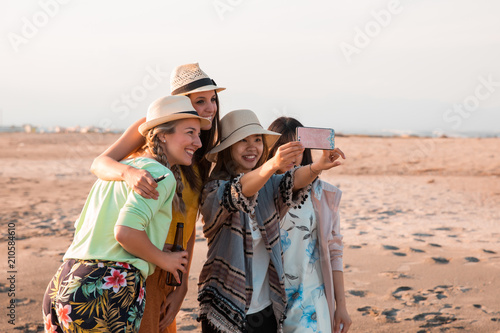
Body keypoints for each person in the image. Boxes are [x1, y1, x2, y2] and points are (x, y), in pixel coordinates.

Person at [42, 95, 211, 332]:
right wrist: (164, 260)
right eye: (190, 133)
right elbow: (125, 233)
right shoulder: (158, 175)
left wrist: (150, 248)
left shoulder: (120, 171)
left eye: (198, 135)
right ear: (163, 134)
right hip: (105, 291)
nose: (198, 142)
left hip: (64, 284)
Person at [90, 63, 224, 333]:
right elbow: (99, 163)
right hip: (140, 257)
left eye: (213, 100)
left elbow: (187, 220)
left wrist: (182, 282)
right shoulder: (153, 127)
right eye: (200, 101)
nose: (210, 108)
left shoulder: (199, 147)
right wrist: (127, 173)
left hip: (170, 267)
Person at [198, 109, 345, 333]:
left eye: (257, 140)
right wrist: (271, 165)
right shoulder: (213, 190)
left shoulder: (269, 186)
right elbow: (238, 191)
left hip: (265, 310)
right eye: (243, 140)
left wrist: (316, 167)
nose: (252, 147)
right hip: (226, 307)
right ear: (228, 148)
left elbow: (291, 181)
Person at [267, 117, 352, 333]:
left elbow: (335, 251)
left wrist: (340, 305)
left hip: (312, 299)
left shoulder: (324, 194)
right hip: (267, 298)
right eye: (284, 149)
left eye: (297, 149)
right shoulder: (260, 191)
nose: (292, 157)